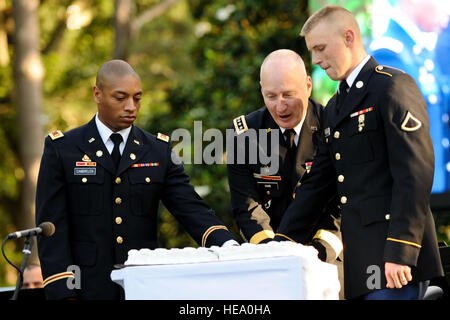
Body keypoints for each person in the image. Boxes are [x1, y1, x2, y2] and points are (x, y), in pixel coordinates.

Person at [274, 5, 444, 300]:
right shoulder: (335, 107)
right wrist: (281, 243)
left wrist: (402, 248)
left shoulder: (392, 86)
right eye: (312, 51)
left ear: (349, 37)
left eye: (321, 48)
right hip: (361, 266)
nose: (316, 60)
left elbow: (415, 172)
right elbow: (317, 185)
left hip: (396, 262)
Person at [36, 59, 237, 300]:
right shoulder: (64, 149)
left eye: (137, 98)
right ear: (97, 94)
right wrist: (63, 293)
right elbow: (52, 228)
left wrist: (228, 247)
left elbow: (190, 207)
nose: (131, 106)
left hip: (143, 287)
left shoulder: (157, 150)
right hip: (86, 288)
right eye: (120, 98)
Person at [227, 49, 343, 297]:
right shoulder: (245, 134)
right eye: (271, 96)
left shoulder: (332, 127)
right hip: (268, 263)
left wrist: (315, 252)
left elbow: (341, 204)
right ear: (261, 91)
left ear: (308, 86)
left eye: (289, 95)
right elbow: (246, 204)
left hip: (326, 260)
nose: (280, 106)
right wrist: (271, 252)